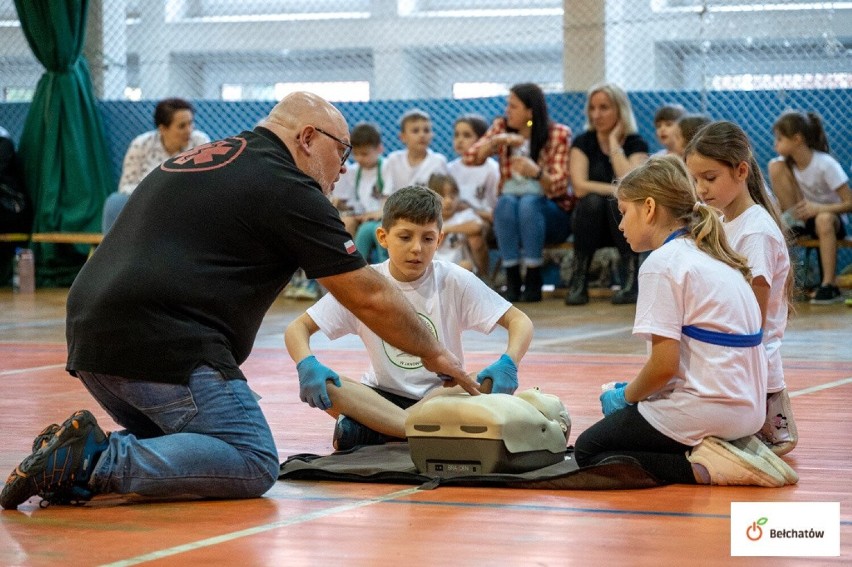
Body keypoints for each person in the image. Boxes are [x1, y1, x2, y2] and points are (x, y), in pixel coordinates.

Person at [0, 92, 476, 511]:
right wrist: (435, 353)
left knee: (193, 450)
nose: (345, 167)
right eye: (341, 151)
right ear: (308, 138)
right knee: (250, 459)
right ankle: (95, 460)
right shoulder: (288, 186)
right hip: (164, 344)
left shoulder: (211, 154)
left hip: (91, 340)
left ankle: (69, 453)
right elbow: (369, 295)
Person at [573, 155, 797, 487]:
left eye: (624, 213)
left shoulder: (663, 263)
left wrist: (628, 397)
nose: (620, 226)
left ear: (648, 208)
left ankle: (708, 468)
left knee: (588, 451)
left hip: (710, 410)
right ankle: (725, 449)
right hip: (750, 412)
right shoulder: (714, 255)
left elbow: (663, 367)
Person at [285, 185, 533, 451]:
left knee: (483, 380)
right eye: (405, 237)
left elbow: (520, 321)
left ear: (439, 240)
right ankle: (417, 429)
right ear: (383, 237)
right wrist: (306, 363)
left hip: (442, 395)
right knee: (329, 385)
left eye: (428, 239)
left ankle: (379, 432)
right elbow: (297, 328)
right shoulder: (364, 283)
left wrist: (510, 361)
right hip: (379, 398)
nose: (417, 248)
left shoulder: (454, 279)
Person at [685, 120, 797, 456]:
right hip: (731, 361)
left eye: (710, 178)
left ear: (741, 171)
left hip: (751, 367)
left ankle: (773, 420)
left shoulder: (755, 232)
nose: (701, 189)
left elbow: (753, 321)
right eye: (695, 180)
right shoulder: (719, 220)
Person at [464, 83, 573, 303]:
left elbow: (560, 186)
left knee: (528, 203)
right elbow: (470, 157)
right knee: (505, 203)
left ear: (530, 111)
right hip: (512, 208)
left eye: (513, 106)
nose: (507, 110)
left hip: (551, 212)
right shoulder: (502, 128)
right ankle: (512, 276)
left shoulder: (558, 133)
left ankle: (534, 276)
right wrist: (496, 141)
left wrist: (537, 172)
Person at [565, 82, 649, 306]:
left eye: (604, 108)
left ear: (620, 110)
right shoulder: (583, 142)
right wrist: (615, 189)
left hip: (622, 225)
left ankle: (631, 283)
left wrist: (614, 144)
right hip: (589, 224)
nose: (596, 115)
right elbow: (580, 187)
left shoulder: (636, 143)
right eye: (592, 108)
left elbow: (631, 184)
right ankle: (578, 281)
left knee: (618, 203)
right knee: (592, 201)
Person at [767, 110, 852, 303]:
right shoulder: (789, 165)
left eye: (780, 138)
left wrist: (819, 209)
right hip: (807, 217)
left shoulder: (825, 164)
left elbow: (849, 202)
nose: (775, 144)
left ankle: (829, 285)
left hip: (831, 219)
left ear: (797, 139)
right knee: (774, 165)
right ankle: (794, 223)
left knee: (823, 220)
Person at [101, 98, 210, 233]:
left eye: (191, 123)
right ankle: (113, 252)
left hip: (186, 203)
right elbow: (126, 186)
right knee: (115, 202)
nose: (189, 130)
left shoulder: (200, 142)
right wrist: (154, 195)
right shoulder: (141, 145)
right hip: (148, 204)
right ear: (163, 129)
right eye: (182, 126)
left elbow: (206, 183)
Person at [354, 108, 448, 264]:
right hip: (398, 216)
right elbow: (387, 195)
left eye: (426, 130)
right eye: (415, 130)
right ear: (402, 137)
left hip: (426, 217)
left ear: (432, 134)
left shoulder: (438, 162)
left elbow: (442, 198)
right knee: (366, 231)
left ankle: (392, 275)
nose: (422, 134)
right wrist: (380, 213)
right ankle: (358, 274)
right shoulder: (393, 160)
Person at [446, 114, 500, 276]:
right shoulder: (450, 169)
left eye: (467, 135)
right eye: (456, 135)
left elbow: (494, 213)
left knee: (474, 237)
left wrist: (471, 210)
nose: (460, 140)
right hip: (454, 219)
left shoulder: (492, 169)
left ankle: (483, 280)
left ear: (481, 139)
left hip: (482, 222)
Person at [331, 122, 387, 239]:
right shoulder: (353, 172)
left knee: (365, 231)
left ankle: (359, 257)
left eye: (364, 154)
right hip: (362, 215)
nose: (359, 158)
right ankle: (347, 256)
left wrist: (375, 214)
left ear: (379, 149)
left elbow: (390, 201)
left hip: (382, 216)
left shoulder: (387, 168)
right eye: (355, 154)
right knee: (346, 223)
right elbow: (350, 202)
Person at [428, 173, 484, 270]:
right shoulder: (427, 219)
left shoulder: (463, 215)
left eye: (452, 196)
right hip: (434, 268)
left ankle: (483, 278)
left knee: (466, 265)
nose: (449, 201)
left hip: (459, 268)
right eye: (443, 196)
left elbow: (477, 227)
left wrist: (447, 228)